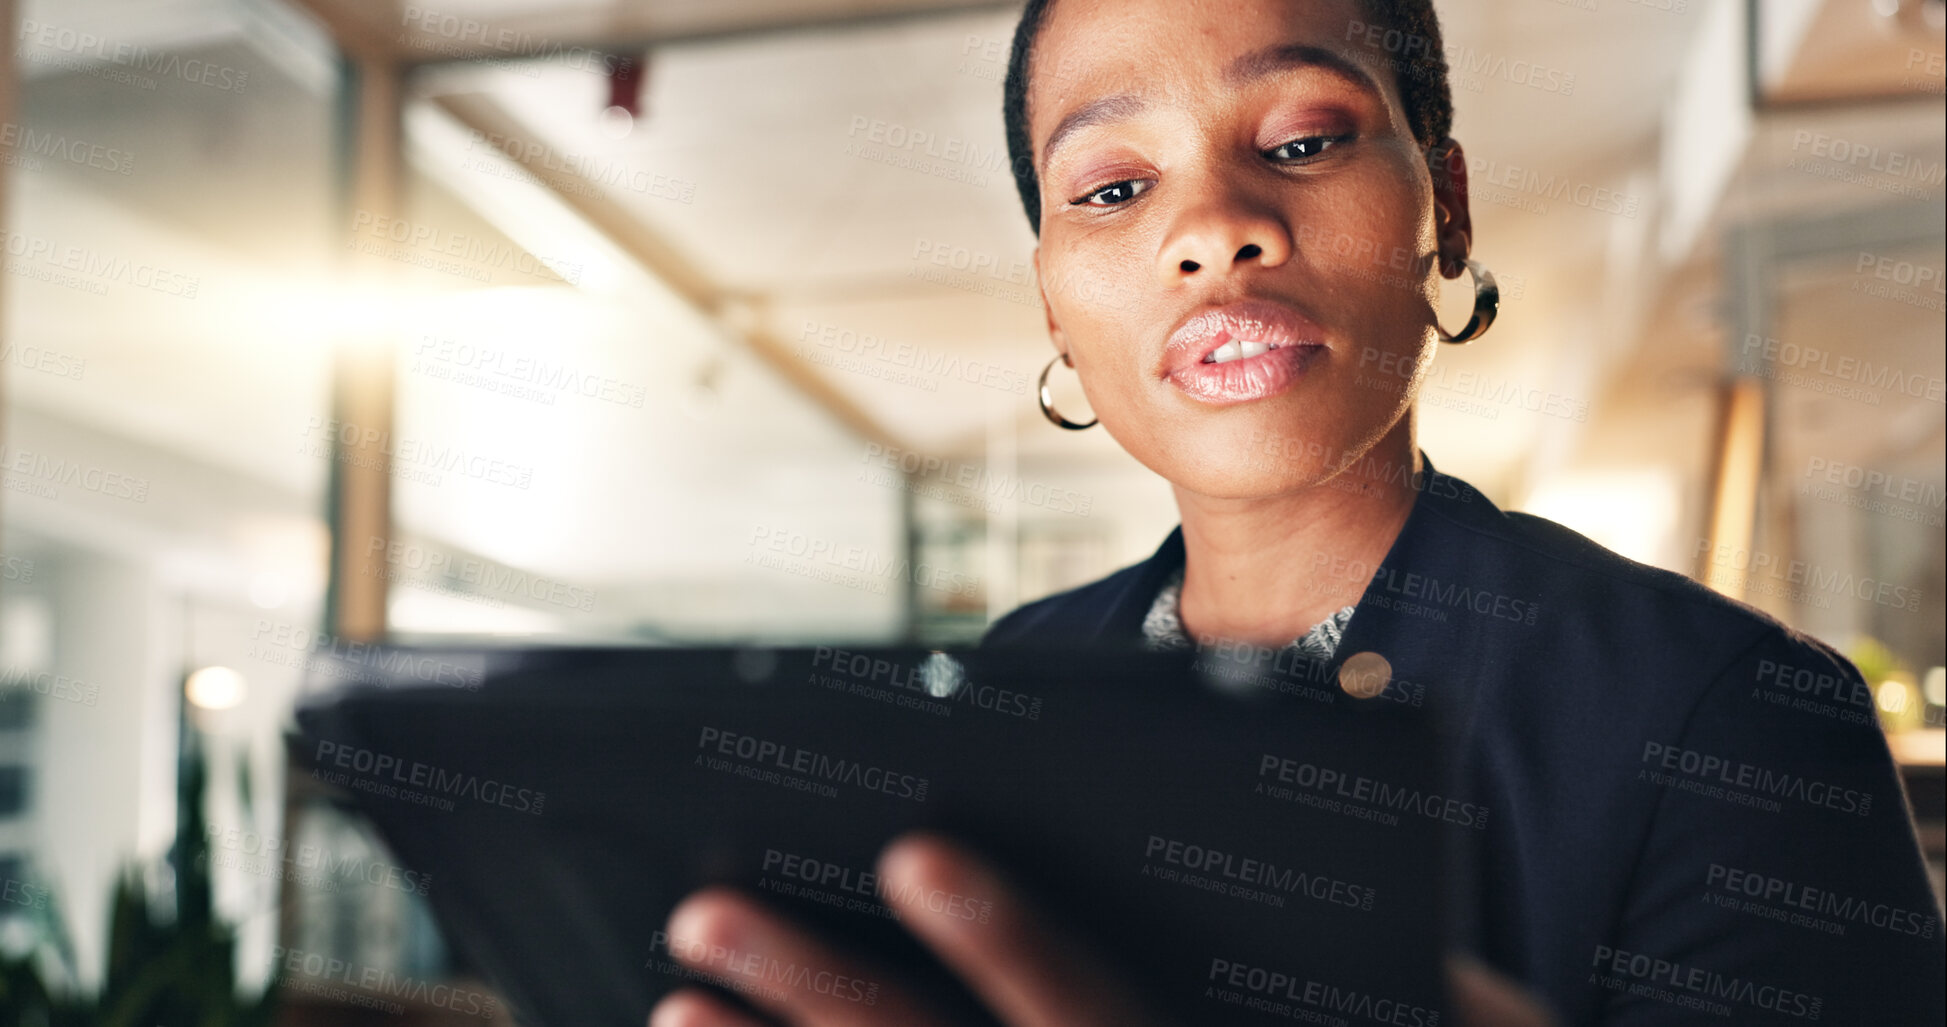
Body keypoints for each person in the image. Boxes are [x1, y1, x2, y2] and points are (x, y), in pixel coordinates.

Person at [649, 0, 1945, 1023]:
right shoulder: (1013, 682)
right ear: (1053, 299)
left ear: (1446, 202)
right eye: (1111, 188)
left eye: (1303, 141)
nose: (1214, 228)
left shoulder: (1734, 719)